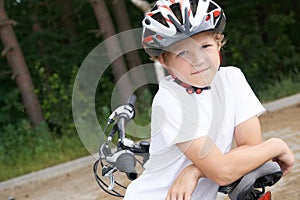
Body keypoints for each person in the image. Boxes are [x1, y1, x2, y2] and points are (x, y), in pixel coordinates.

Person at [124, 0, 294, 199]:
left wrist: (195, 171)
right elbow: (223, 172)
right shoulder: (170, 100)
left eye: (205, 46)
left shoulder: (232, 79)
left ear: (218, 42)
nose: (199, 60)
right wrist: (276, 145)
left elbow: (251, 150)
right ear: (163, 60)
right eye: (184, 53)